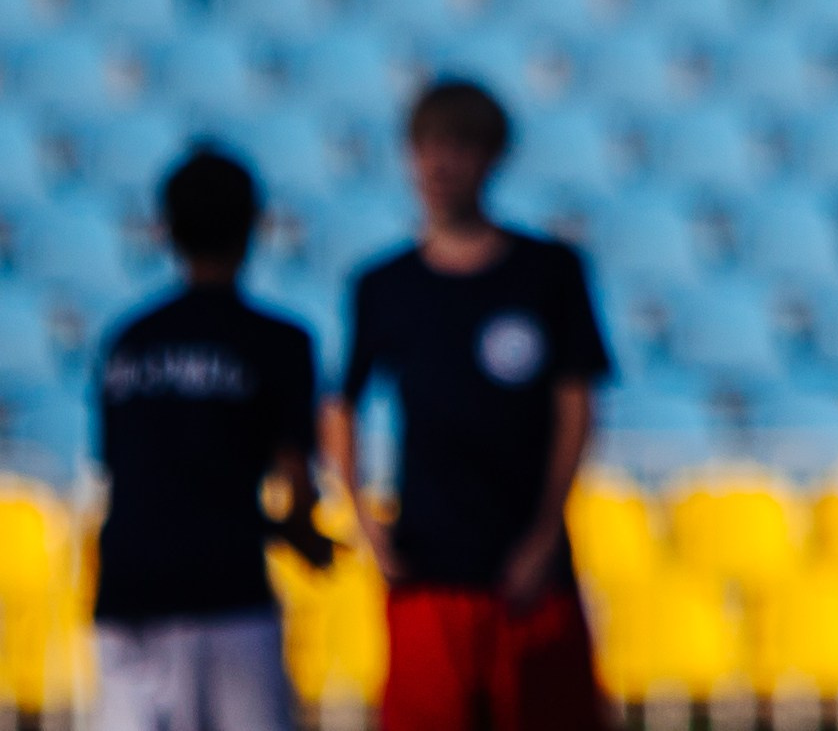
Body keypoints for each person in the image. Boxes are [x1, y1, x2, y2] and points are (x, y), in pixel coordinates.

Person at [325, 78, 612, 731]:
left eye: (458, 146)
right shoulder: (385, 284)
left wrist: (544, 532)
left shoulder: (547, 272)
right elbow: (341, 403)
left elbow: (576, 403)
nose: (439, 164)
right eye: (426, 147)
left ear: (491, 156)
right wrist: (363, 517)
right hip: (428, 571)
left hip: (528, 573)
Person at [91, 146, 331, 731]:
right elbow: (296, 474)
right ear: (254, 227)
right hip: (225, 593)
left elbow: (121, 465)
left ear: (166, 230)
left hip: (126, 591)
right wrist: (302, 535)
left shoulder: (129, 339)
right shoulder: (277, 341)